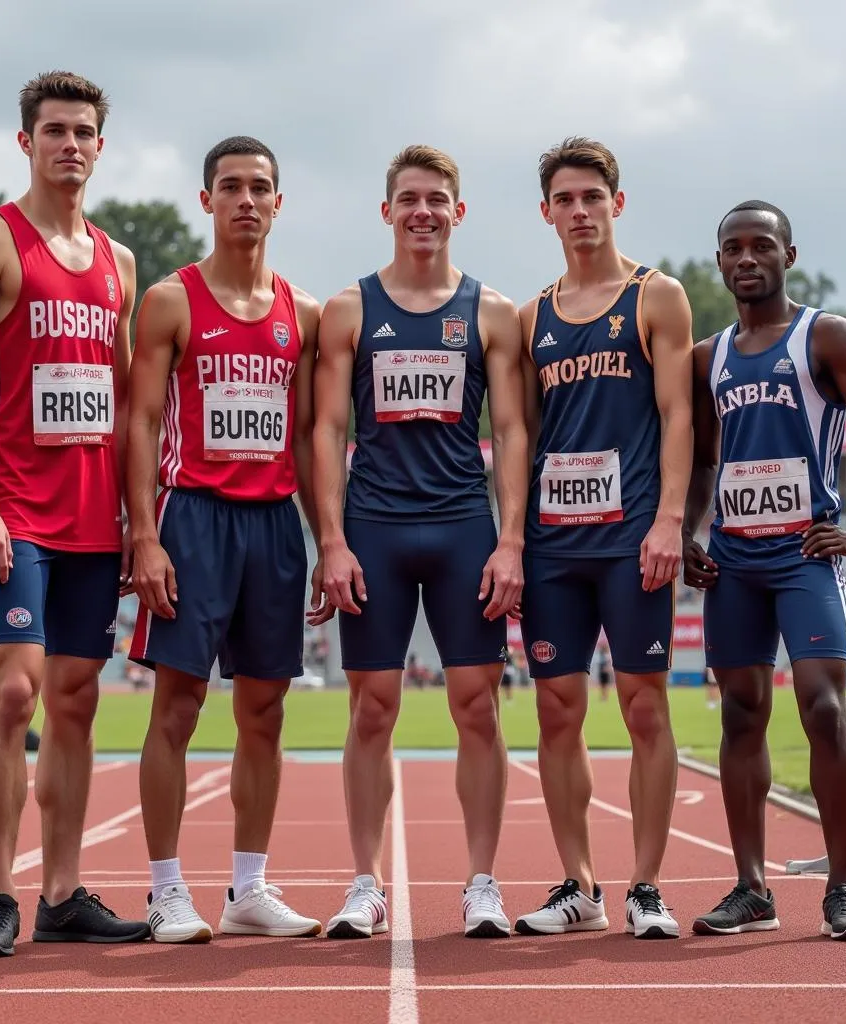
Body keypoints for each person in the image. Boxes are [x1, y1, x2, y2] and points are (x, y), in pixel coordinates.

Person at [0, 71, 150, 957]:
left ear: (102, 146)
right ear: (26, 142)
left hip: (96, 518)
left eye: (84, 131)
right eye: (54, 130)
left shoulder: (118, 262)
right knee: (14, 691)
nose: (70, 143)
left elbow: (134, 398)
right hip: (15, 509)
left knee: (75, 700)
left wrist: (144, 522)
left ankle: (62, 893)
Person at [313, 145, 528, 939]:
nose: (423, 212)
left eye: (437, 199)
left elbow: (509, 431)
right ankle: (364, 883)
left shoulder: (491, 312)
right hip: (375, 527)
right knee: (372, 708)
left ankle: (482, 882)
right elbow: (328, 427)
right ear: (388, 211)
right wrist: (331, 540)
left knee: (478, 707)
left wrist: (510, 542)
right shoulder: (349, 311)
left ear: (458, 212)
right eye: (409, 199)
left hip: (463, 525)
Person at [683, 201, 846, 941]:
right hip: (736, 560)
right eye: (733, 248)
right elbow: (704, 458)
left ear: (789, 254)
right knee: (743, 713)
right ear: (719, 262)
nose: (747, 259)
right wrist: (691, 531)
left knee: (822, 707)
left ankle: (843, 887)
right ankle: (752, 887)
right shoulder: (706, 356)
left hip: (803, 553)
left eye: (762, 246)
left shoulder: (825, 335)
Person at [126, 136, 322, 942]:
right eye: (231, 187)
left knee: (265, 713)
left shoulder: (302, 315)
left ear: (280, 203)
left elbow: (311, 437)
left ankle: (248, 887)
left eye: (261, 187)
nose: (247, 199)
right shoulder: (172, 300)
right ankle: (166, 889)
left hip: (274, 524)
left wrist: (329, 541)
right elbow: (137, 422)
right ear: (206, 201)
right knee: (177, 706)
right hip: (193, 517)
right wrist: (144, 534)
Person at [513, 137, 694, 940]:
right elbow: (518, 434)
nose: (580, 211)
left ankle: (646, 885)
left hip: (632, 537)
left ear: (616, 204)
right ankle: (577, 884)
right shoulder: (531, 318)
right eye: (565, 199)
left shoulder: (657, 297)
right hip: (555, 543)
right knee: (558, 709)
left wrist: (668, 521)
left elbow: (679, 415)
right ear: (546, 212)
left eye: (593, 197)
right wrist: (513, 540)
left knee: (643, 705)